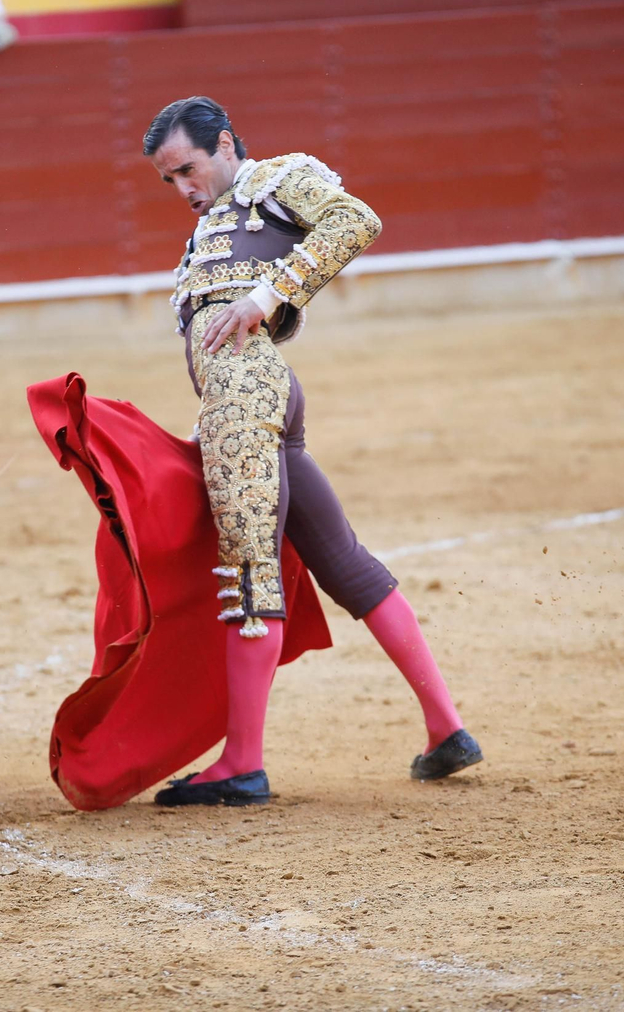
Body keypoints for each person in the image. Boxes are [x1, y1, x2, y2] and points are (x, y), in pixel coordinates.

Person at [139, 96, 482, 806]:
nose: (184, 189)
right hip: (253, 399)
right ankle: (447, 730)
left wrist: (265, 298)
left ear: (226, 144)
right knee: (344, 562)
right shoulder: (210, 229)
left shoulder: (276, 179)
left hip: (247, 394)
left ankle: (241, 763)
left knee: (248, 568)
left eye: (188, 169)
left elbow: (357, 219)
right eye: (168, 179)